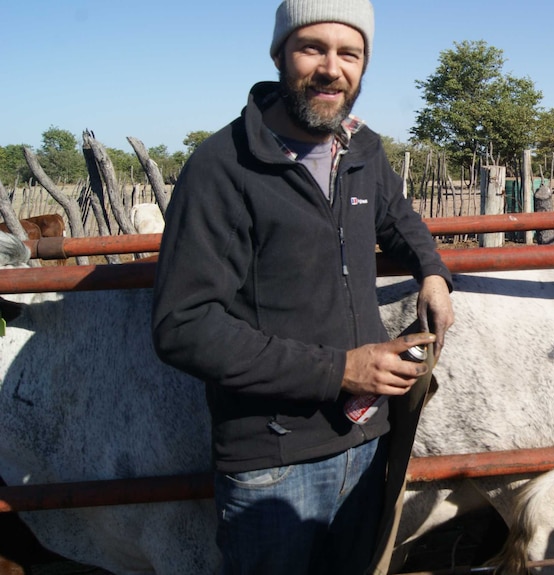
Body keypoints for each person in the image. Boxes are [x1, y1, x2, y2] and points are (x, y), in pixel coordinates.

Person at [150, 0, 454, 572]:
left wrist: (432, 271)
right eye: (312, 48)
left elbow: (398, 217)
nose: (331, 68)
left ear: (364, 66)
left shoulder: (361, 150)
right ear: (280, 55)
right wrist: (340, 369)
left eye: (350, 53)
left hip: (366, 441)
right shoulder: (222, 167)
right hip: (273, 461)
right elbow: (182, 326)